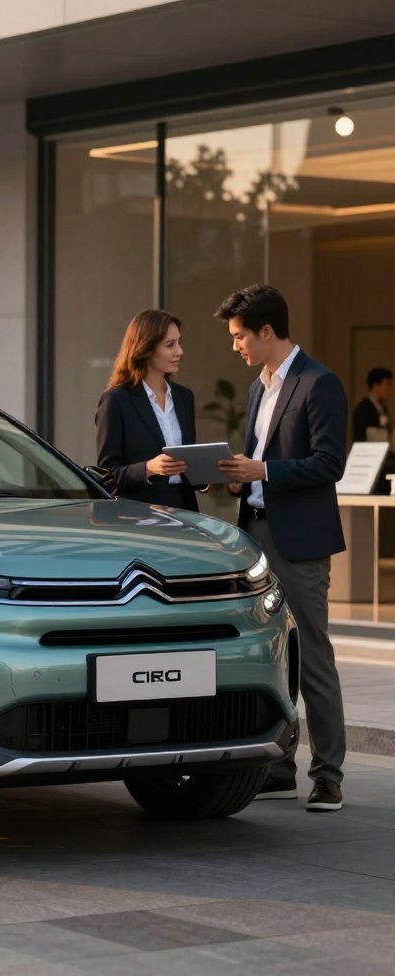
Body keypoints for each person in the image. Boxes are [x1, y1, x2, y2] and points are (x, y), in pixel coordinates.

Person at [214, 283, 347, 812]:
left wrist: (263, 470)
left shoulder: (320, 383)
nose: (235, 346)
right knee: (273, 655)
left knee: (312, 656)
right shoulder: (257, 388)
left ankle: (329, 775)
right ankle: (277, 767)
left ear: (267, 331)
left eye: (240, 336)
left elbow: (328, 464)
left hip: (301, 540)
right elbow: (257, 459)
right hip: (257, 535)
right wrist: (237, 478)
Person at [95, 309, 200, 511]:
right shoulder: (116, 401)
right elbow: (106, 474)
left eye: (179, 342)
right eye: (170, 345)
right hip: (139, 516)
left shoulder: (184, 397)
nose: (179, 351)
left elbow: (186, 464)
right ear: (145, 349)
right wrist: (148, 469)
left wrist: (205, 472)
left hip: (185, 512)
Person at [352, 367, 393, 442]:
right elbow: (362, 437)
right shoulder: (363, 409)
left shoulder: (383, 408)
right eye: (387, 383)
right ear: (376, 385)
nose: (389, 388)